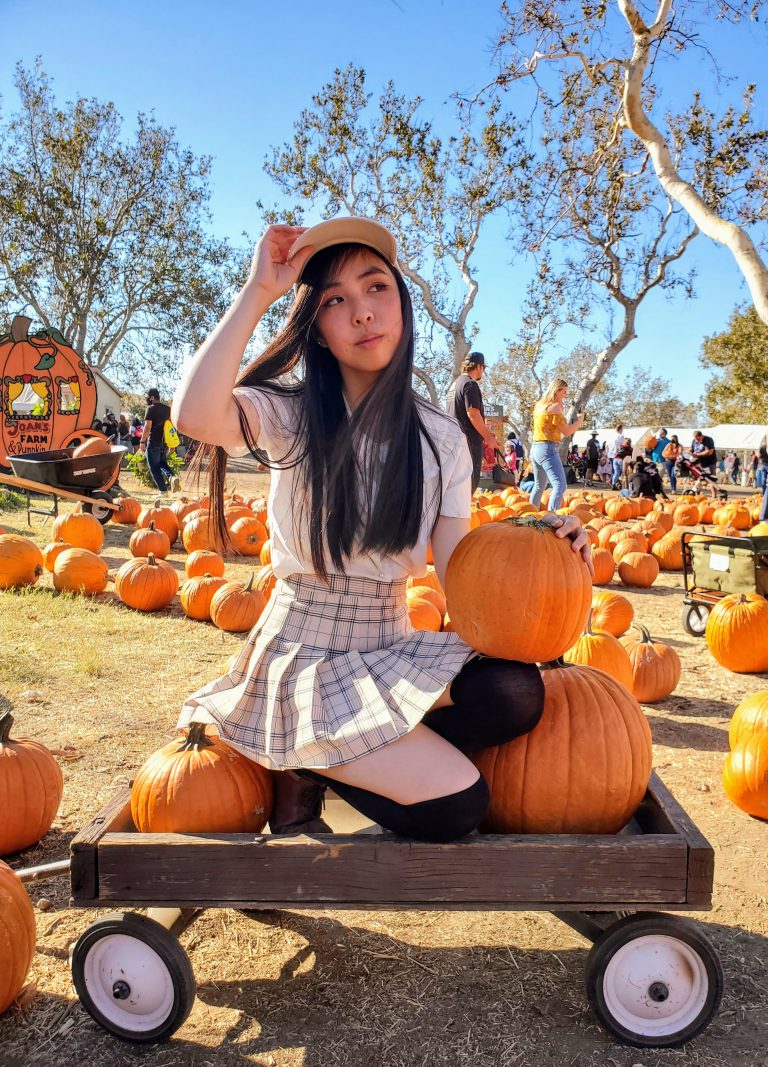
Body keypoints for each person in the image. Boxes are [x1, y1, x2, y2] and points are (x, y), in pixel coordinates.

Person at [170, 217, 591, 841]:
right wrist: (258, 292)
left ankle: (329, 756)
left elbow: (460, 576)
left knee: (515, 692)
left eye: (375, 288)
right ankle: (303, 759)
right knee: (457, 808)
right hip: (305, 656)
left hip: (389, 644)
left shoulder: (441, 438)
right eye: (336, 301)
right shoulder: (293, 412)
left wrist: (541, 543)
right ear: (316, 326)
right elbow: (196, 413)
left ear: (401, 300)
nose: (362, 313)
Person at [528, 379, 585, 512]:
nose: (565, 395)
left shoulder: (539, 405)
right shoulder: (555, 407)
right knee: (560, 486)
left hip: (536, 447)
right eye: (564, 392)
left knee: (539, 485)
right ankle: (551, 517)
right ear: (556, 391)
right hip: (548, 448)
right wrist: (580, 420)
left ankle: (529, 514)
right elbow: (567, 431)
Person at [445, 353, 497, 493]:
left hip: (452, 441)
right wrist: (488, 437)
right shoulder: (470, 384)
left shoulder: (454, 385)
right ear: (479, 367)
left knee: (453, 487)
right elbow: (473, 413)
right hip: (467, 443)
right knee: (468, 486)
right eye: (483, 368)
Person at [140, 387, 180, 493]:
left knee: (154, 467)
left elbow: (147, 427)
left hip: (153, 442)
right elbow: (171, 427)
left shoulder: (150, 409)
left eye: (148, 397)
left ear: (152, 397)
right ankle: (172, 477)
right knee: (162, 463)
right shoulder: (168, 409)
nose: (147, 399)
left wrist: (142, 442)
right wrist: (172, 444)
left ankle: (163, 491)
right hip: (165, 443)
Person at [608, 425, 627, 489]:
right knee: (620, 471)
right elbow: (623, 445)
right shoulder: (620, 436)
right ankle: (617, 484)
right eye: (622, 429)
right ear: (620, 429)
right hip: (617, 454)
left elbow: (606, 446)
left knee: (614, 470)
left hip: (610, 454)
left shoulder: (611, 436)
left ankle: (613, 483)